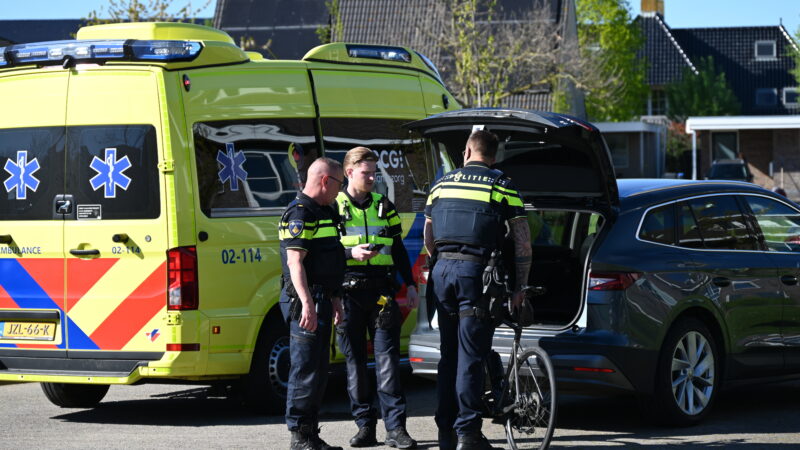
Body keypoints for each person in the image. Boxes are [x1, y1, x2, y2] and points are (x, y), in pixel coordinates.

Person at [423, 130, 532, 450]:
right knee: (471, 356)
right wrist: (520, 287)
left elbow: (429, 234)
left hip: (442, 272)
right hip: (477, 275)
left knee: (449, 355)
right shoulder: (502, 185)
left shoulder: (441, 183)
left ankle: (446, 431)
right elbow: (523, 241)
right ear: (494, 156)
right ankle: (468, 433)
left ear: (467, 151)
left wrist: (440, 263)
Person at [335, 147, 419, 449]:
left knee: (387, 363)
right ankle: (365, 427)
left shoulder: (385, 206)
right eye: (365, 173)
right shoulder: (334, 207)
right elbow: (322, 253)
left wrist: (409, 285)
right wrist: (350, 253)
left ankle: (396, 429)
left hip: (381, 292)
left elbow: (396, 248)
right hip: (346, 293)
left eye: (373, 172)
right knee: (355, 364)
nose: (371, 178)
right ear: (349, 173)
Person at [279, 157, 347, 450]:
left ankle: (311, 433)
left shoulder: (325, 212)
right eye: (340, 183)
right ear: (324, 180)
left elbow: (329, 260)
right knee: (304, 370)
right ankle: (299, 436)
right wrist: (307, 303)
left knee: (319, 371)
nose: (340, 190)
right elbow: (296, 263)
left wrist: (335, 299)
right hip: (307, 301)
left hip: (323, 298)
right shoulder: (300, 213)